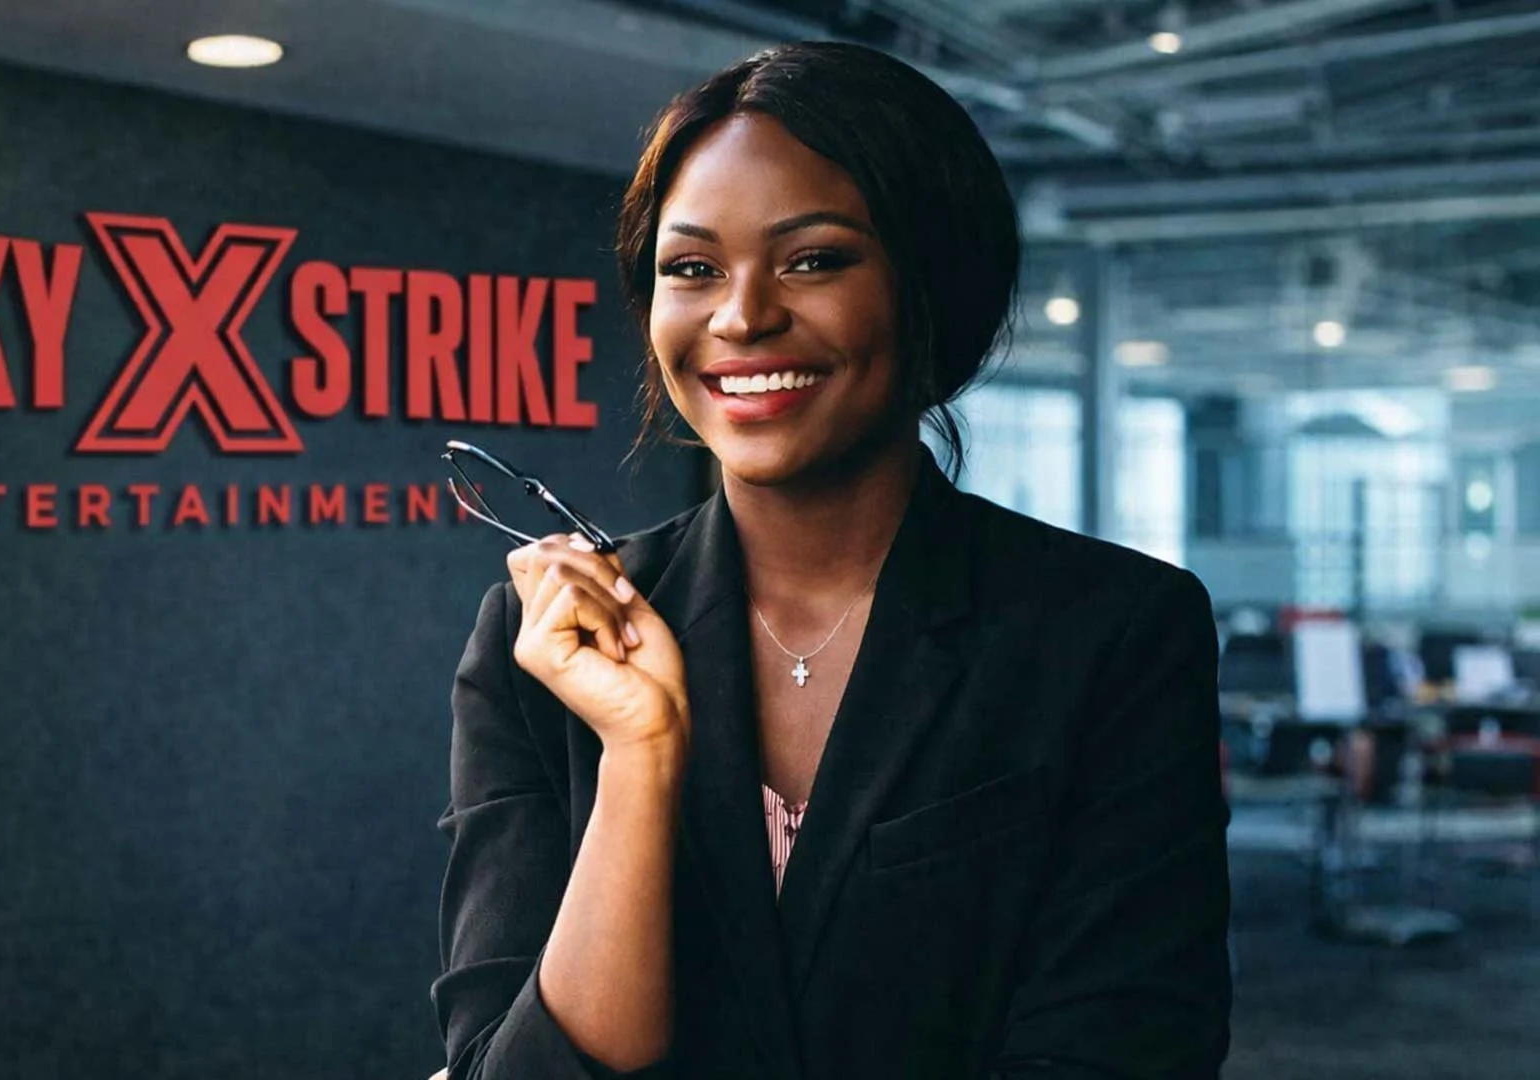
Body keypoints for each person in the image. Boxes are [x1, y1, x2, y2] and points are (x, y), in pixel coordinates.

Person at [432, 41, 1232, 1080]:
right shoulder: (542, 644)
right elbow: (512, 1066)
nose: (741, 315)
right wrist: (639, 758)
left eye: (813, 259)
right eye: (692, 268)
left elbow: (1126, 1050)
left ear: (928, 284)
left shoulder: (1113, 630)